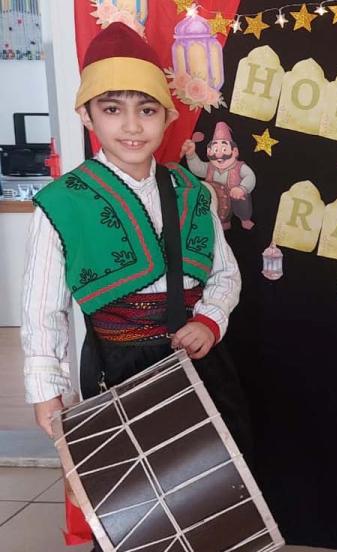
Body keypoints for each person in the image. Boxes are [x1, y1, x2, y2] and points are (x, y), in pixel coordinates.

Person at [21, 22, 251, 476]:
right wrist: (47, 389)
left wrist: (209, 321)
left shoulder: (193, 192)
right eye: (112, 109)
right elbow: (42, 309)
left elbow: (225, 273)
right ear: (87, 115)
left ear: (167, 117)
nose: (131, 126)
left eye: (147, 110)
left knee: (216, 486)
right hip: (116, 370)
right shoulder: (61, 204)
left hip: (199, 362)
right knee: (133, 489)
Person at [182, 121, 256, 231]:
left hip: (235, 197)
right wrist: (191, 155)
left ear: (235, 152)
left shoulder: (240, 167)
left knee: (242, 204)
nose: (219, 154)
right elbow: (198, 169)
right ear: (209, 152)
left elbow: (250, 176)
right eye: (215, 150)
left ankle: (244, 219)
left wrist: (242, 188)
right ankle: (223, 222)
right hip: (217, 198)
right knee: (212, 204)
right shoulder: (209, 167)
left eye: (224, 149)